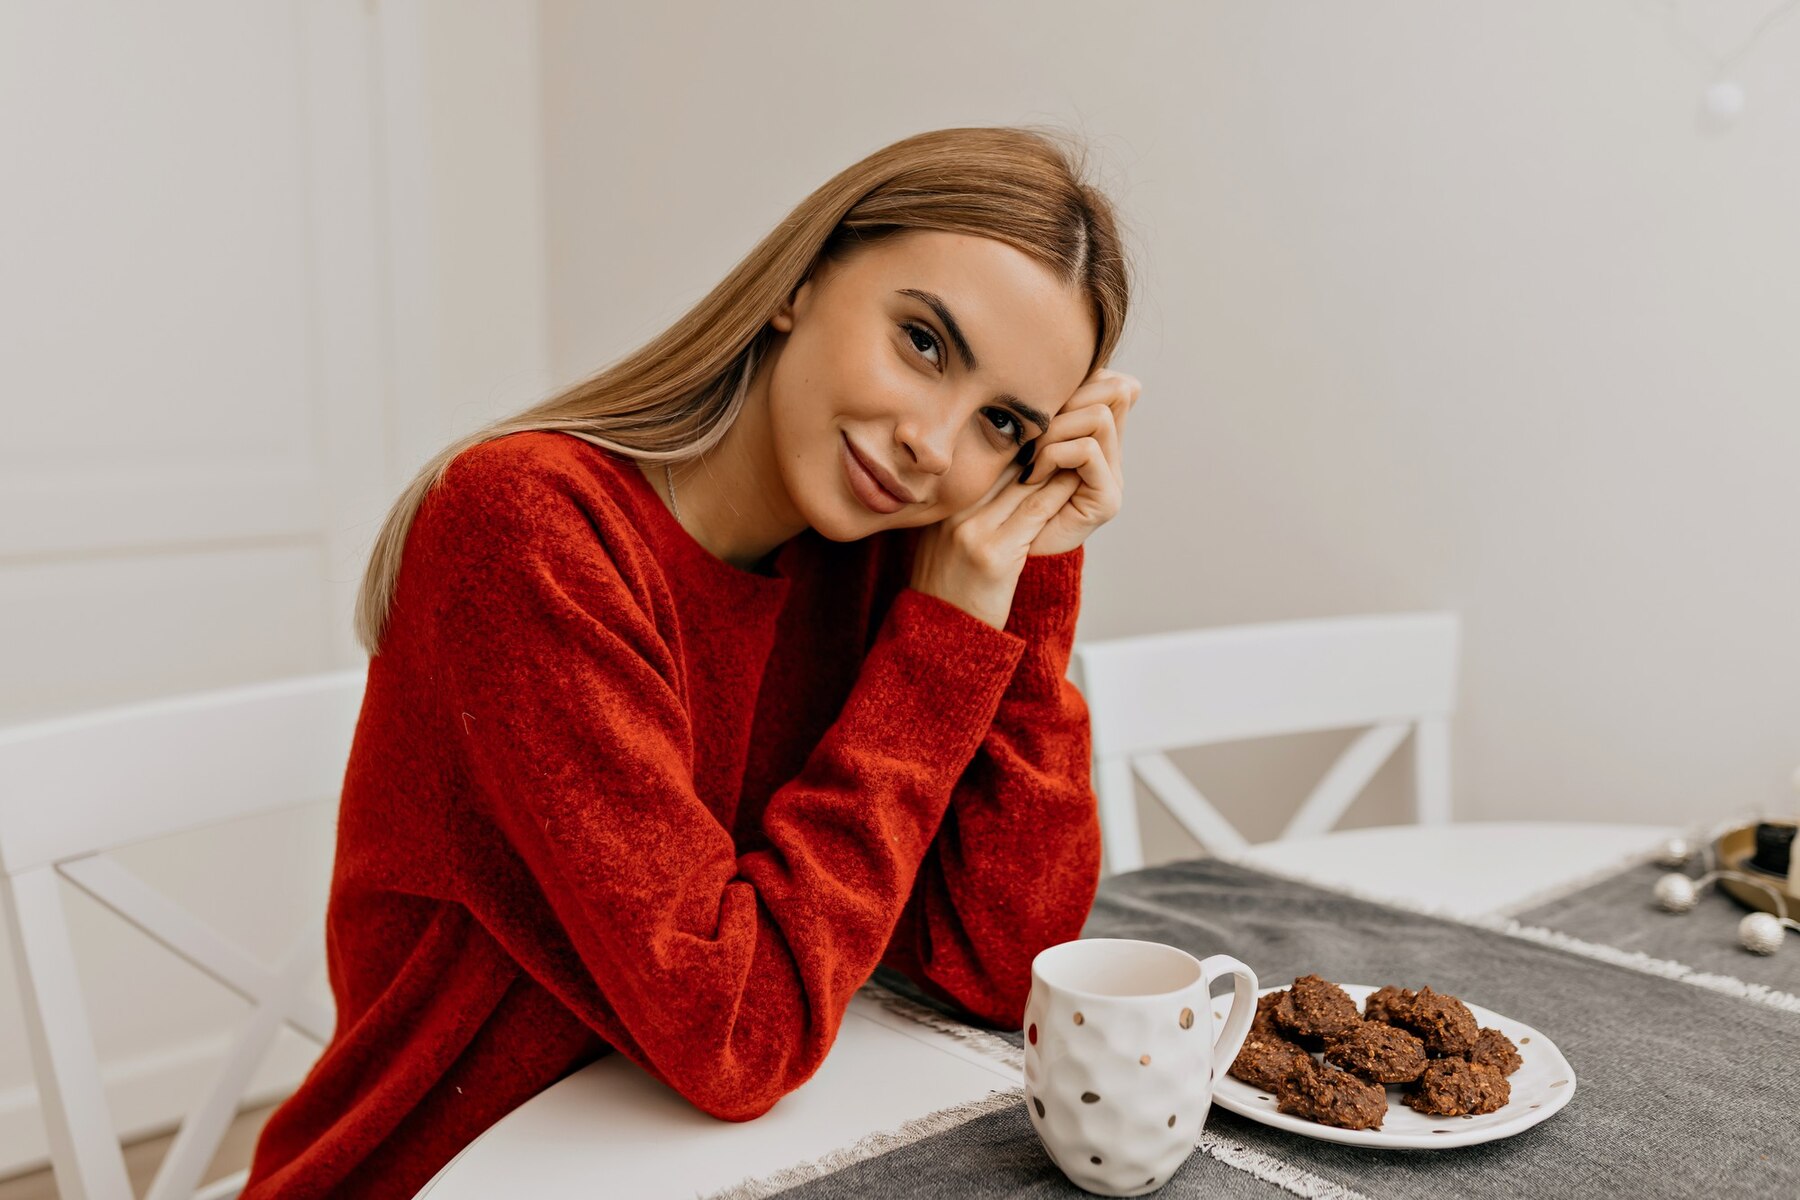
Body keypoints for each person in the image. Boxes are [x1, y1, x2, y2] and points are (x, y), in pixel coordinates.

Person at [240, 125, 1138, 1199]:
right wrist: (941, 648)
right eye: (924, 344)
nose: (935, 446)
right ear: (798, 284)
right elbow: (738, 1036)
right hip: (433, 1174)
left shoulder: (896, 559)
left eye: (1003, 427)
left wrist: (1029, 563)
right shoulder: (529, 531)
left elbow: (1003, 963)